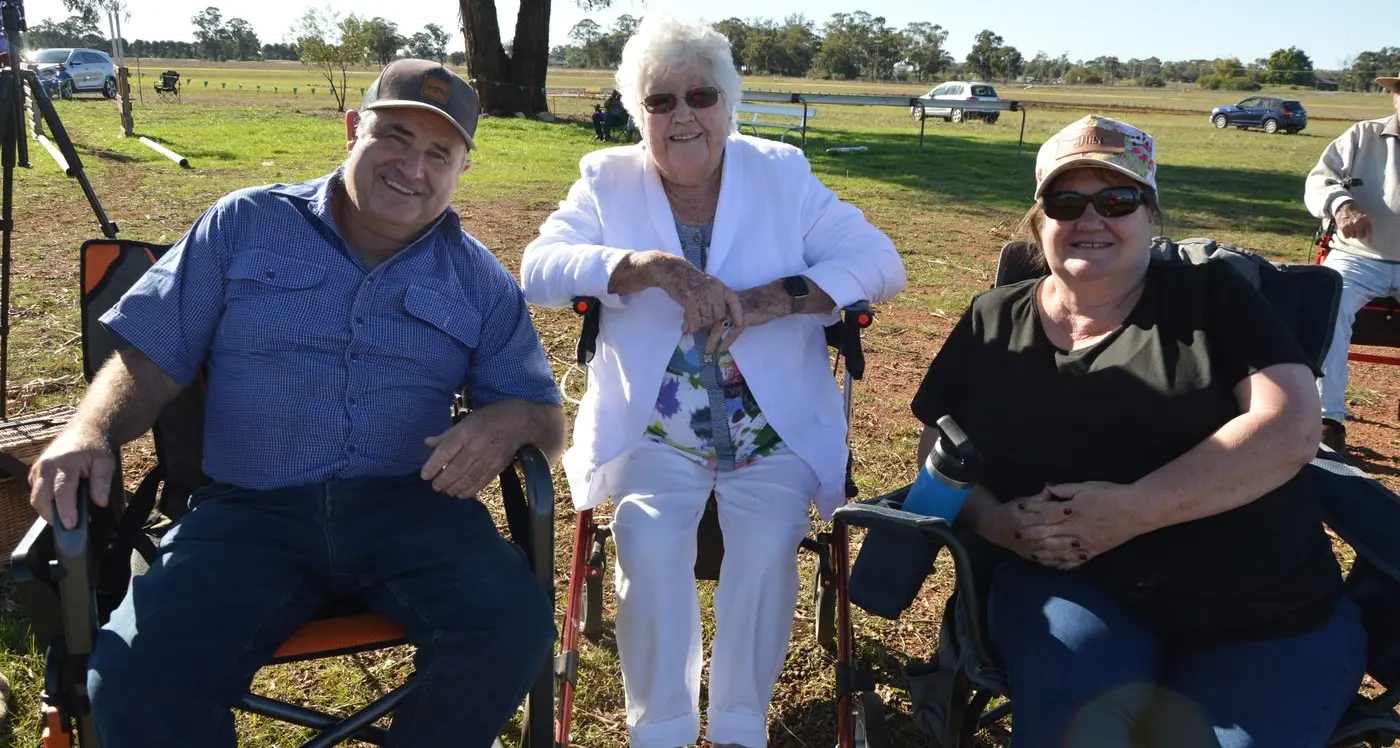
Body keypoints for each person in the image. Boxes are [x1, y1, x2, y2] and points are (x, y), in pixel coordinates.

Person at [28, 59, 566, 748]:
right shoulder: (244, 225)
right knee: (137, 679)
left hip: (411, 512)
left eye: (440, 153)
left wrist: (512, 417)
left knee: (510, 626)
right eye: (395, 136)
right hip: (249, 516)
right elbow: (151, 357)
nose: (414, 166)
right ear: (353, 129)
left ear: (463, 168)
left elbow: (546, 422)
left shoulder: (479, 279)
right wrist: (89, 430)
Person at [910, 114, 1366, 748]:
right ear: (1039, 219)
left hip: (1261, 608)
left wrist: (1130, 511)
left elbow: (1289, 425)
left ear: (1151, 215)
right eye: (1067, 201)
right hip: (1077, 590)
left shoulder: (1213, 296)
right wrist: (994, 523)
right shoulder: (994, 318)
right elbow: (939, 442)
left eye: (1118, 199)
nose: (1091, 220)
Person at [520, 14, 905, 748]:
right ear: (638, 116)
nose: (683, 116)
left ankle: (737, 728)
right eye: (660, 102)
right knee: (649, 546)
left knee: (764, 551)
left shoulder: (780, 173)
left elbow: (879, 260)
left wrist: (771, 301)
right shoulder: (608, 179)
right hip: (655, 435)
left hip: (772, 432)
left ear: (727, 104)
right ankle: (660, 732)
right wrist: (647, 268)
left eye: (700, 95)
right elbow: (539, 267)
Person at [1304, 71, 1400, 453]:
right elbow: (1319, 180)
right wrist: (1342, 205)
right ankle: (1328, 420)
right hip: (1358, 257)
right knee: (1328, 300)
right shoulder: (1362, 137)